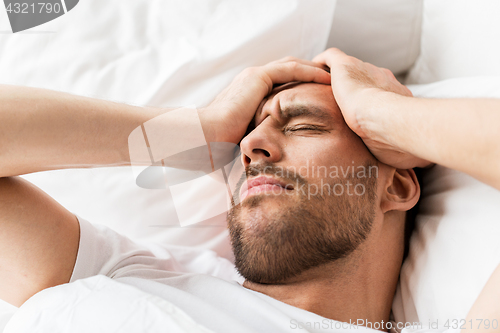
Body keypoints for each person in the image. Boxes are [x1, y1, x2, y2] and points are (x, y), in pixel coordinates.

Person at [0, 49, 498, 332]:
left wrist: (381, 114)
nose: (252, 146)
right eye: (242, 140)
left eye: (303, 126)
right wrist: (197, 129)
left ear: (397, 184)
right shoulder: (126, 269)